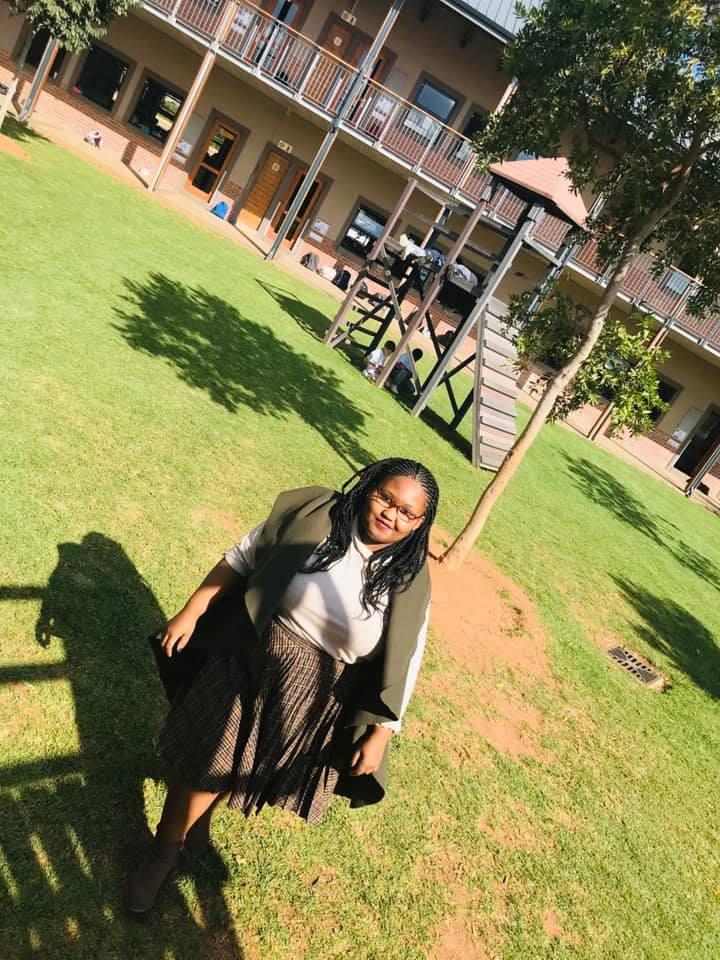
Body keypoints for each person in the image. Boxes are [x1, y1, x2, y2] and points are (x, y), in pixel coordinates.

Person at [126, 458, 440, 914]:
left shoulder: (409, 576)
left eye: (407, 512)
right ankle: (162, 852)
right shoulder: (317, 515)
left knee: (243, 762)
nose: (391, 515)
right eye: (385, 498)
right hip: (255, 653)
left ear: (420, 522)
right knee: (208, 763)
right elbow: (242, 556)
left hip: (318, 690)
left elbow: (408, 656)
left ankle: (197, 828)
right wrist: (192, 611)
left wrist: (382, 731)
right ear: (368, 488)